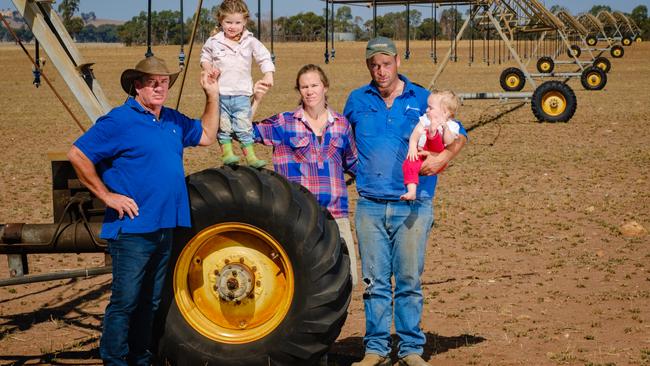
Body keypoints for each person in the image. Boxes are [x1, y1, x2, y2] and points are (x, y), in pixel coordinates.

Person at [67, 55, 220, 366]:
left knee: (150, 301)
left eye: (163, 82)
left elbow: (206, 135)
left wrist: (212, 94)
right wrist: (107, 196)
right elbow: (77, 153)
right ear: (136, 85)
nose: (158, 87)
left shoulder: (173, 120)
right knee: (125, 301)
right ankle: (114, 359)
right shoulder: (119, 121)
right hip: (133, 229)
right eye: (151, 82)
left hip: (165, 226)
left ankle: (140, 358)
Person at [343, 37, 468, 366]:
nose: (380, 70)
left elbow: (461, 133)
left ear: (397, 61)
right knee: (374, 281)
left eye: (385, 63)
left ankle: (411, 349)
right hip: (369, 204)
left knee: (409, 280)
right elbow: (342, 141)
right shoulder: (356, 99)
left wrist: (443, 159)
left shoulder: (424, 98)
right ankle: (375, 350)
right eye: (373, 64)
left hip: (414, 204)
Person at [251, 64, 360, 285]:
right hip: (297, 218)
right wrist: (256, 100)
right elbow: (241, 130)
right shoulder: (284, 123)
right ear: (299, 91)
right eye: (304, 87)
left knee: (346, 281)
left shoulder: (341, 125)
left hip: (335, 215)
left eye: (314, 85)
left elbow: (354, 163)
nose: (309, 91)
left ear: (325, 87)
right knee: (303, 284)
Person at [200, 0, 275, 168]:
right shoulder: (214, 41)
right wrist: (209, 68)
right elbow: (204, 57)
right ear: (220, 21)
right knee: (223, 125)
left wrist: (268, 74)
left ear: (245, 22)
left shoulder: (250, 41)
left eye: (237, 23)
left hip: (242, 93)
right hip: (221, 93)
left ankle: (251, 156)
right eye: (228, 22)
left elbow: (264, 57)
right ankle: (227, 153)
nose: (232, 26)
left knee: (244, 125)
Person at [401, 90, 461, 201]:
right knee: (408, 164)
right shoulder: (425, 119)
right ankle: (412, 192)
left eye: (430, 108)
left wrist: (445, 128)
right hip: (421, 153)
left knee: (436, 135)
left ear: (445, 113)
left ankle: (432, 133)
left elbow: (449, 142)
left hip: (436, 155)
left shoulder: (452, 126)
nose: (426, 109)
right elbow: (415, 134)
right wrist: (412, 147)